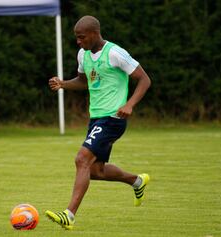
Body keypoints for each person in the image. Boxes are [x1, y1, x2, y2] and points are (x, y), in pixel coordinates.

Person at [46, 15, 152, 230]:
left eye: (81, 37)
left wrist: (129, 104)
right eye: (77, 38)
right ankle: (137, 181)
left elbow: (144, 79)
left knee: (81, 159)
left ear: (94, 34)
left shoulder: (115, 53)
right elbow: (84, 81)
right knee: (96, 171)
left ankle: (69, 215)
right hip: (96, 118)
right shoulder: (82, 55)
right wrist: (63, 83)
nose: (78, 41)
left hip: (113, 118)